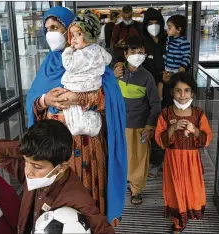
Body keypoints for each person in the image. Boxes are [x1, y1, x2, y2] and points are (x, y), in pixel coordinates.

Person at [25, 6, 127, 226]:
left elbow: (111, 100)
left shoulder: (93, 60)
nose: (51, 33)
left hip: (88, 147)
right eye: (47, 28)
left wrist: (79, 99)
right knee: (57, 203)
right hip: (54, 150)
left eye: (56, 27)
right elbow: (33, 100)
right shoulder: (48, 66)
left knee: (88, 196)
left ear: (70, 29)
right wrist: (45, 100)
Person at [0, 119, 115, 234]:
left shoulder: (76, 197)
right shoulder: (32, 173)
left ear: (61, 167)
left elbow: (103, 229)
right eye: (26, 161)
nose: (28, 172)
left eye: (37, 167)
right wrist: (29, 149)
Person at [155, 72, 213, 233]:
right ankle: (178, 222)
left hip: (191, 161)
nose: (182, 95)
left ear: (192, 93)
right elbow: (160, 139)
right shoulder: (166, 114)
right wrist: (173, 128)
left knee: (190, 189)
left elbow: (207, 138)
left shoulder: (198, 114)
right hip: (173, 160)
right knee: (175, 189)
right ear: (172, 92)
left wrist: (194, 130)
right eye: (178, 90)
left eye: (186, 90)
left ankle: (187, 214)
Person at [113, 37, 161, 205]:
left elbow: (155, 104)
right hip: (119, 125)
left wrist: (149, 126)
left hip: (140, 126)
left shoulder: (147, 77)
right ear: (125, 54)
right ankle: (124, 182)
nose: (137, 56)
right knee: (123, 157)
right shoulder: (117, 72)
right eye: (133, 52)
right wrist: (113, 76)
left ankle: (136, 190)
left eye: (140, 52)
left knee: (140, 159)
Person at [62, 9, 112, 137]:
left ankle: (78, 128)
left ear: (89, 34)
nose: (74, 39)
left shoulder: (80, 54)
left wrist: (68, 51)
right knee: (89, 114)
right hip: (93, 87)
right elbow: (108, 59)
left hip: (77, 88)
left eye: (78, 34)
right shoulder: (99, 50)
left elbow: (69, 65)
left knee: (75, 114)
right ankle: (92, 127)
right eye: (72, 35)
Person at [142, 7, 168, 179]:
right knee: (151, 124)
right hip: (148, 93)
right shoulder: (143, 42)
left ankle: (161, 160)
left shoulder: (168, 40)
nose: (153, 26)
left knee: (165, 124)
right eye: (149, 23)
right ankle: (151, 161)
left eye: (156, 23)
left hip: (168, 90)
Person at [163, 14, 191, 108]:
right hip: (168, 70)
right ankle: (169, 108)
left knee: (176, 90)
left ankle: (178, 107)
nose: (167, 29)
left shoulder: (183, 42)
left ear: (178, 30)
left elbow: (187, 55)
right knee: (168, 91)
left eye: (170, 27)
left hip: (176, 71)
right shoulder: (168, 39)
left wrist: (182, 66)